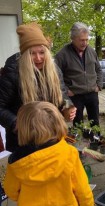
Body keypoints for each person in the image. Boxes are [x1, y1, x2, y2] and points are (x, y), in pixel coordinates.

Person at [4, 101, 94, 206]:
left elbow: (11, 191)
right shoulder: (69, 154)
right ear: (57, 123)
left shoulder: (16, 161)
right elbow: (83, 190)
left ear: (22, 128)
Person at [0, 22, 76, 153]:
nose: (38, 58)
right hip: (23, 141)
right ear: (24, 55)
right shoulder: (13, 72)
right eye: (32, 53)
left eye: (42, 52)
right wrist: (15, 123)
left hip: (51, 136)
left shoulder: (54, 70)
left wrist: (68, 107)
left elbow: (62, 95)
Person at [55, 22, 103, 127]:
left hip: (92, 93)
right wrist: (66, 90)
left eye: (87, 40)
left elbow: (98, 69)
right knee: (78, 124)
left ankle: (95, 141)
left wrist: (99, 85)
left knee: (95, 122)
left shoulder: (92, 51)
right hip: (75, 96)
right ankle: (78, 142)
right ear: (73, 38)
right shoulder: (62, 54)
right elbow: (55, 76)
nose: (85, 43)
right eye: (82, 40)